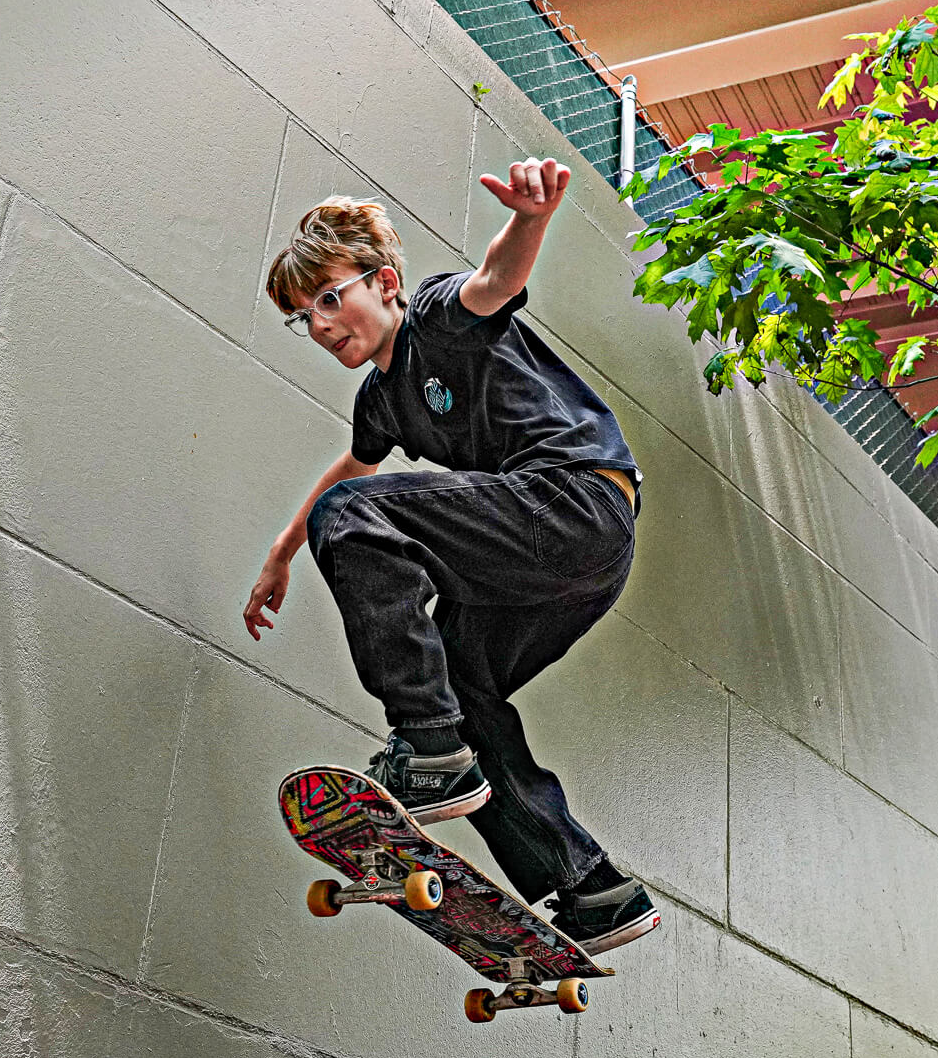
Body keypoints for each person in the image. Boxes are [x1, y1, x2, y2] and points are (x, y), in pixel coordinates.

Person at [243, 157, 658, 955]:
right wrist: (281, 552)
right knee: (464, 687)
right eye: (303, 316)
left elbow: (495, 281)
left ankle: (428, 745)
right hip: (565, 564)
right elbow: (352, 466)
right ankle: (591, 887)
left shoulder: (434, 315)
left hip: (572, 500)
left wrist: (531, 217)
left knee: (352, 520)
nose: (322, 325)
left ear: (385, 282)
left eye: (330, 297)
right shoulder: (380, 399)